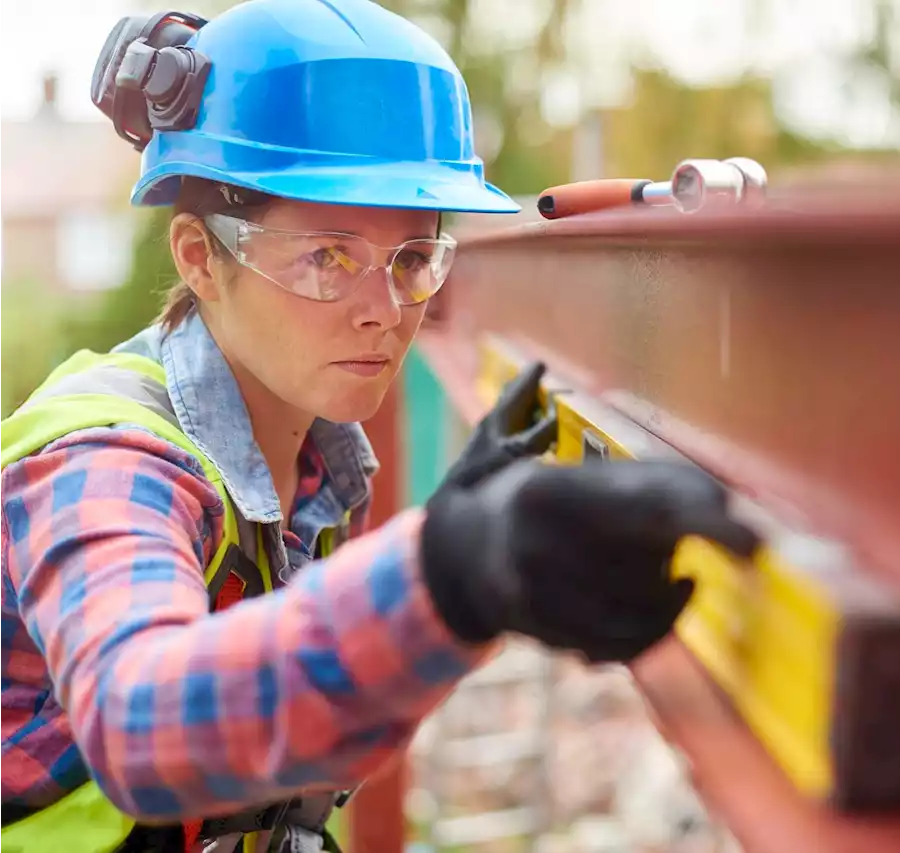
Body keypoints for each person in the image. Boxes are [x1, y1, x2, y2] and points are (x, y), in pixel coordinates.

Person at [0, 1, 758, 851]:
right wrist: (447, 573)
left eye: (412, 259)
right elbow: (141, 726)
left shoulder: (314, 461)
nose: (385, 311)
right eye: (329, 257)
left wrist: (455, 571)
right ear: (200, 258)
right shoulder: (107, 460)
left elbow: (290, 723)